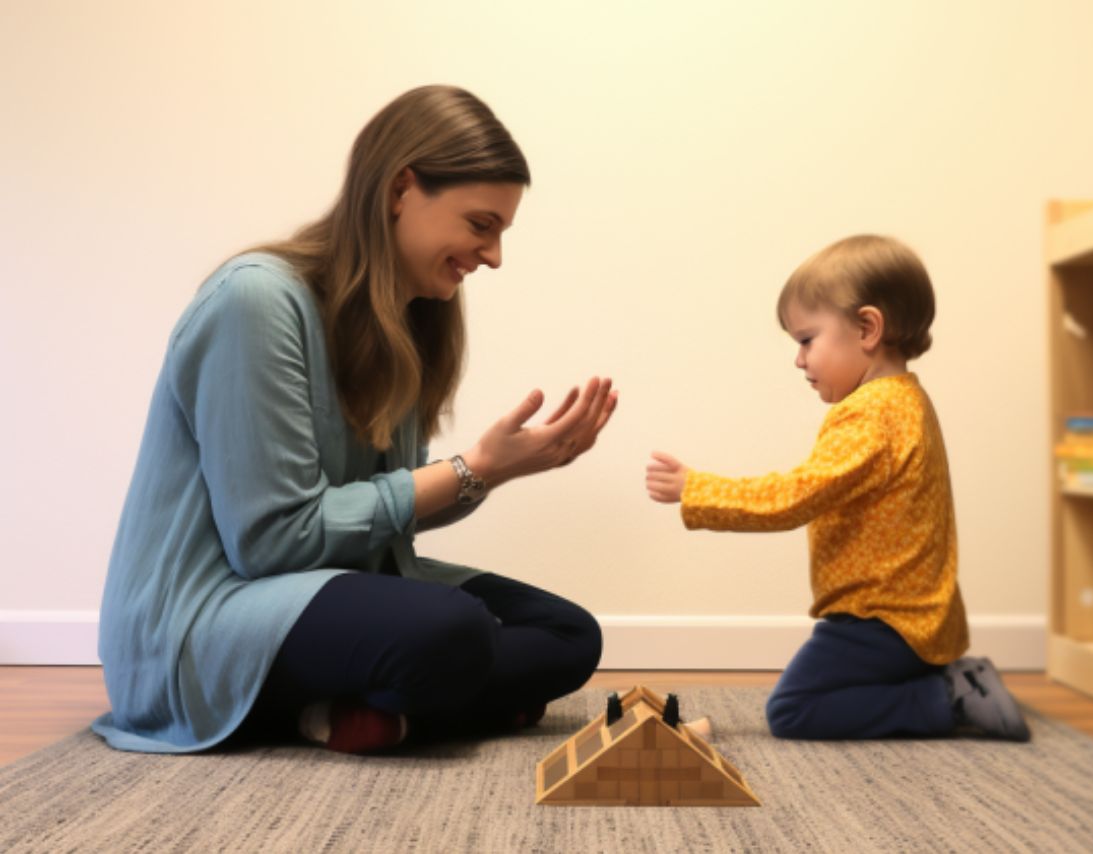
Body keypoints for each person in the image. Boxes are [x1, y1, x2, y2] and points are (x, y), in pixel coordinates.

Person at [94, 85, 618, 755]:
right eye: (481, 225)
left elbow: (378, 515)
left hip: (330, 585)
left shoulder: (406, 319)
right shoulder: (255, 301)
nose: (493, 257)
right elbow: (271, 544)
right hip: (206, 616)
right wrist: (472, 469)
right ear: (401, 189)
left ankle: (362, 709)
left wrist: (499, 473)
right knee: (451, 631)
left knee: (568, 635)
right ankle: (390, 703)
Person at [646, 234, 1029, 742]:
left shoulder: (871, 415)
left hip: (881, 621)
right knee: (819, 693)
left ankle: (949, 698)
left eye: (807, 340)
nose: (799, 360)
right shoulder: (907, 400)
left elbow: (795, 497)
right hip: (918, 616)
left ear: (868, 328)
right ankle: (946, 678)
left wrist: (698, 489)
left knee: (795, 709)